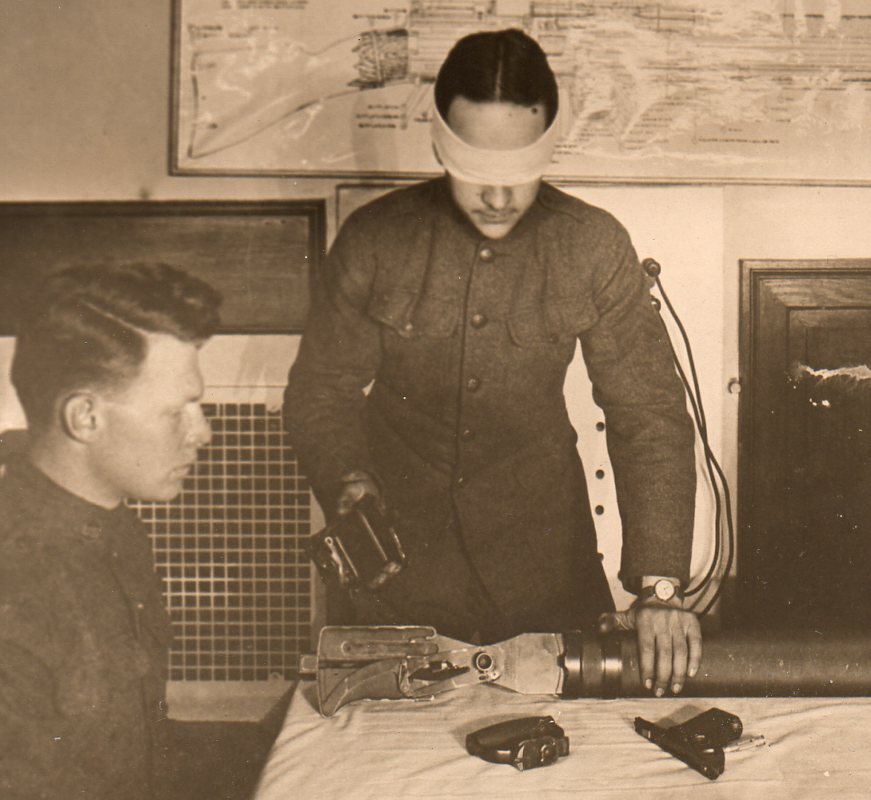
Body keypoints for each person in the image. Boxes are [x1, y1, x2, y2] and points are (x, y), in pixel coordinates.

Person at [285, 29, 701, 696]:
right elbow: (321, 393)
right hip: (397, 577)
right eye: (476, 171)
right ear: (439, 141)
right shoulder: (375, 240)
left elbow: (647, 413)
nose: (499, 199)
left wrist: (659, 587)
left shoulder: (592, 245)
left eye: (518, 172)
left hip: (547, 574)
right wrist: (347, 482)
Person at [0, 263, 220, 799]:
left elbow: (133, 747)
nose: (203, 434)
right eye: (177, 412)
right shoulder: (17, 584)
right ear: (86, 418)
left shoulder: (116, 527)